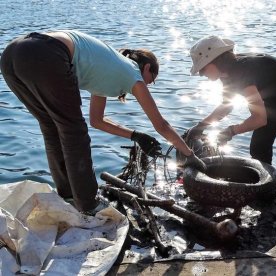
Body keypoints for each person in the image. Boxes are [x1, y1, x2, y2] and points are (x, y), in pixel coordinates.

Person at [0, 30, 206, 215]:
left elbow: (97, 121)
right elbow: (161, 124)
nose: (147, 86)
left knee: (52, 127)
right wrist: (189, 154)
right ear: (148, 68)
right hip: (46, 52)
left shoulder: (107, 68)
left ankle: (68, 196)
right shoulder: (132, 73)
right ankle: (89, 204)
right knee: (73, 131)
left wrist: (135, 136)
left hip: (12, 54)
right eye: (150, 80)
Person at [186, 35, 276, 206]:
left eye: (202, 69)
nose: (201, 73)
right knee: (258, 146)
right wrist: (201, 126)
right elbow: (226, 106)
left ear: (215, 61)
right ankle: (268, 184)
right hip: (273, 102)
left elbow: (259, 119)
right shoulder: (226, 74)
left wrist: (231, 131)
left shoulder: (242, 71)